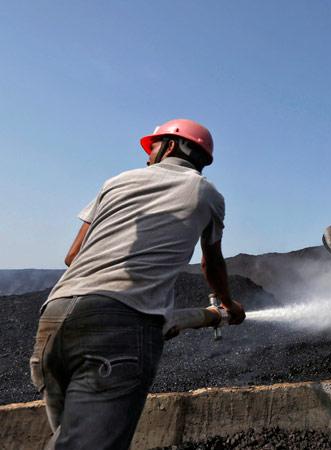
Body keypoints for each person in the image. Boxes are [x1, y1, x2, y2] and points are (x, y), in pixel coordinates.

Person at [29, 118, 245, 449]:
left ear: (170, 146)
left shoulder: (116, 182)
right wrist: (228, 305)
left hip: (54, 319)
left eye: (153, 147)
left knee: (66, 439)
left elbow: (73, 256)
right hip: (119, 330)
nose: (147, 157)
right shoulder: (207, 193)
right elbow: (211, 263)